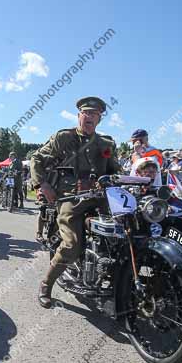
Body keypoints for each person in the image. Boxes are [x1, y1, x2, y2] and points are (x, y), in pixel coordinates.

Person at [30, 96, 120, 308]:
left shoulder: (105, 143)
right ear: (79, 115)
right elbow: (37, 159)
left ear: (99, 119)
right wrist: (42, 185)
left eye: (95, 114)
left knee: (124, 233)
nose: (90, 117)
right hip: (71, 198)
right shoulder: (64, 138)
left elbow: (115, 170)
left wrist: (131, 180)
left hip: (100, 199)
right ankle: (46, 284)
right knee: (72, 245)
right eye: (86, 113)